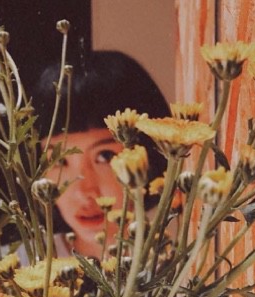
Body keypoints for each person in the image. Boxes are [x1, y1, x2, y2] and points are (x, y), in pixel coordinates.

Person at [32, 50, 170, 259]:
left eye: (105, 156)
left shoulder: (187, 264)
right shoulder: (9, 268)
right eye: (59, 161)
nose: (84, 192)